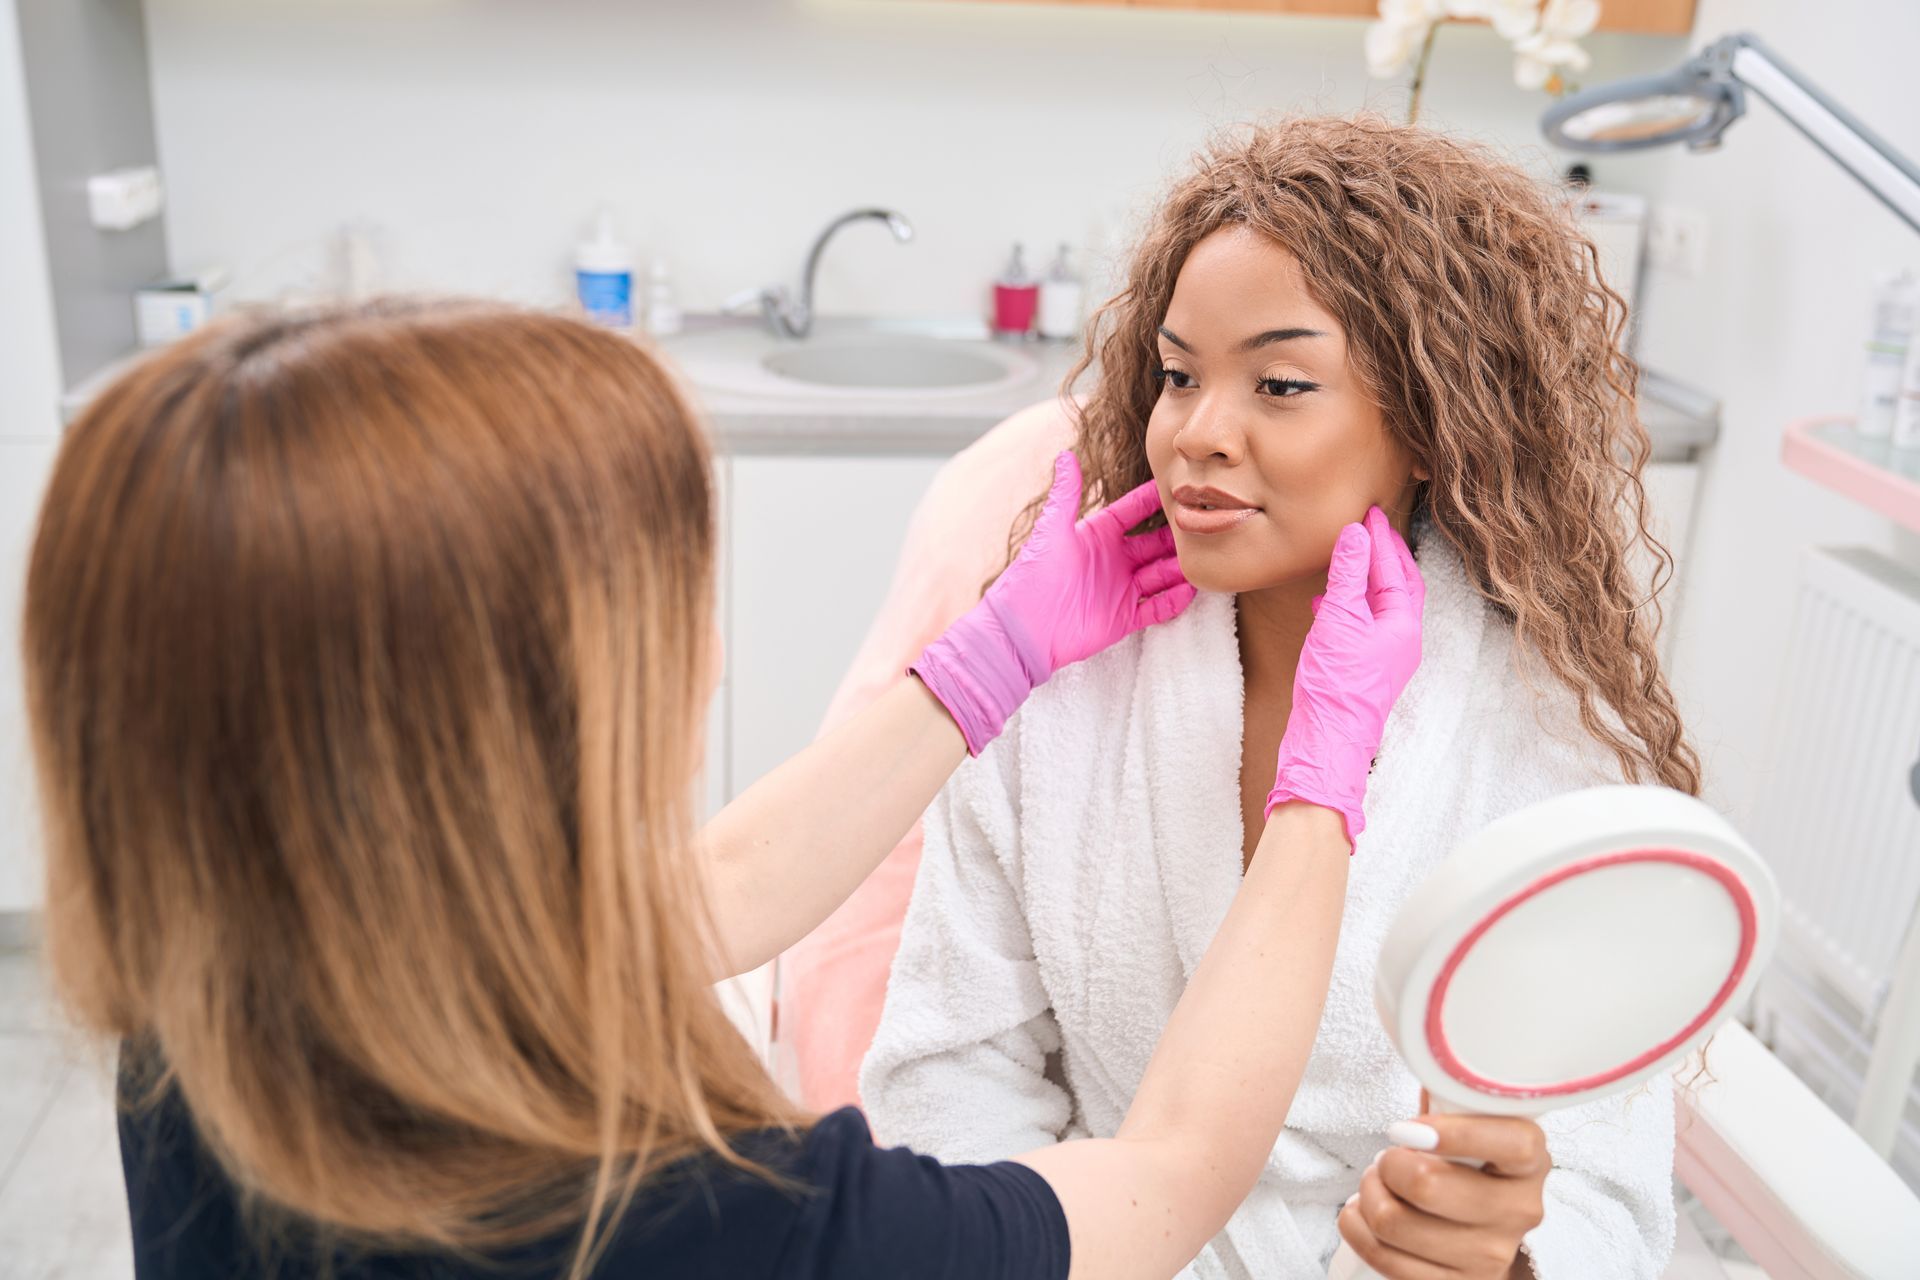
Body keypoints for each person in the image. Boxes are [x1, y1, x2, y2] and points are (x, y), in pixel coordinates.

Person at [23, 298, 1422, 1280]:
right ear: (516, 719)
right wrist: (1320, 793)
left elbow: (707, 898)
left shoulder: (210, 1010)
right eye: (675, 601)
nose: (712, 653)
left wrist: (985, 661)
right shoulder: (715, 1223)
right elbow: (1170, 1176)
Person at [862, 115, 1695, 1279]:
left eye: (1281, 383)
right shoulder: (1063, 687)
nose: (1197, 433)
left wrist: (1495, 1253)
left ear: (1429, 424)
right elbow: (947, 1074)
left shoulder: (1548, 739)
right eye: (1178, 375)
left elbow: (1601, 1175)